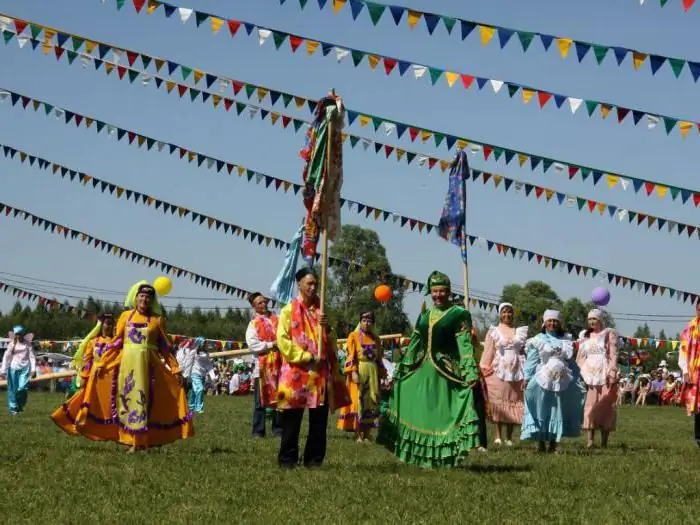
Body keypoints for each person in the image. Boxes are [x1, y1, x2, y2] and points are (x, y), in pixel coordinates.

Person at [378, 271, 481, 468]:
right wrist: (400, 371)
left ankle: (445, 456)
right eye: (434, 291)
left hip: (446, 372)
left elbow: (465, 345)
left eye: (442, 291)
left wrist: (470, 371)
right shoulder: (425, 316)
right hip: (424, 370)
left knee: (442, 413)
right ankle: (423, 456)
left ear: (449, 292)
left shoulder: (458, 314)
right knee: (423, 411)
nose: (438, 295)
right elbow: (415, 344)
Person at [275, 267, 349, 468]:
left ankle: (314, 460)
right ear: (299, 284)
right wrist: (305, 356)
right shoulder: (288, 310)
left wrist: (327, 327)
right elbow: (282, 341)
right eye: (309, 283)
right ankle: (287, 460)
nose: (313, 287)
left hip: (319, 374)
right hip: (296, 373)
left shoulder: (322, 310)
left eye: (315, 284)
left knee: (319, 421)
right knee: (292, 420)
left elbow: (332, 342)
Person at [112, 281, 194, 452]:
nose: (145, 299)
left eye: (149, 297)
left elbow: (165, 348)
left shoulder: (157, 321)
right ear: (136, 298)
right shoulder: (125, 317)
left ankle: (141, 442)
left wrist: (175, 369)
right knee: (128, 402)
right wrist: (103, 361)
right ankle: (131, 439)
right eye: (142, 296)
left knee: (143, 402)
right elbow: (116, 342)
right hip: (128, 366)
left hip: (149, 367)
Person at [521, 310, 582, 453]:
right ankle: (541, 442)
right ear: (545, 322)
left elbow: (571, 363)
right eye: (550, 321)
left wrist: (579, 377)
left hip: (562, 382)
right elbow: (532, 360)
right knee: (542, 410)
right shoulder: (538, 339)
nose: (552, 323)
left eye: (555, 321)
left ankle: (553, 443)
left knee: (557, 411)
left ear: (559, 323)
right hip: (542, 381)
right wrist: (526, 378)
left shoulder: (566, 340)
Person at [51, 314, 119, 438]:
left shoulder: (116, 343)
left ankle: (106, 430)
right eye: (106, 323)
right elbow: (87, 360)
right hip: (94, 377)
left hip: (110, 378)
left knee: (107, 405)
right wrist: (83, 376)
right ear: (101, 325)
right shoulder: (93, 342)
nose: (108, 326)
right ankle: (79, 425)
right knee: (87, 401)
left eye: (111, 323)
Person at [480, 303, 528, 446]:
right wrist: (484, 367)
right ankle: (497, 435)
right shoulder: (494, 331)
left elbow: (523, 352)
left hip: (516, 372)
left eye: (510, 312)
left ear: (513, 314)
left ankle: (509, 437)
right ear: (500, 314)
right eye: (504, 312)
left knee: (513, 401)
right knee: (498, 402)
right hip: (498, 371)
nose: (507, 315)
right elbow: (488, 351)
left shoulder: (519, 332)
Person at [337, 311, 386, 443]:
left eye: (369, 321)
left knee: (372, 401)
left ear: (373, 323)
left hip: (373, 371)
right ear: (360, 322)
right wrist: (353, 371)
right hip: (360, 369)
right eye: (364, 321)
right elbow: (351, 355)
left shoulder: (376, 339)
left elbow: (379, 358)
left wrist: (383, 373)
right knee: (360, 401)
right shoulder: (353, 336)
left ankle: (368, 433)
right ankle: (358, 434)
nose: (366, 323)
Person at [577, 309, 618, 449]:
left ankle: (604, 442)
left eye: (594, 319)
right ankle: (590, 441)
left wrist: (612, 372)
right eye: (590, 319)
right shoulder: (585, 336)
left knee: (606, 406)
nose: (592, 322)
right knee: (590, 406)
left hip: (605, 373)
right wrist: (581, 372)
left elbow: (613, 355)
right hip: (589, 375)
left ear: (600, 320)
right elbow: (580, 356)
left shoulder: (608, 334)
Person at [245, 292, 282, 438]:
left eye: (264, 301)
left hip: (280, 365)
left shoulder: (277, 319)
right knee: (260, 401)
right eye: (259, 303)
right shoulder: (253, 323)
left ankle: (278, 430)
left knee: (280, 399)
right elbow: (252, 345)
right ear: (254, 306)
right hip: (262, 367)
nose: (263, 304)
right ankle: (258, 431)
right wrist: (270, 344)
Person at [0, 325, 36, 415]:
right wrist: (3, 371)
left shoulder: (28, 344)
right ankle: (13, 409)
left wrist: (33, 369)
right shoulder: (12, 344)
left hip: (25, 369)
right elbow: (6, 357)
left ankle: (20, 405)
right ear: (15, 334)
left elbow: (32, 357)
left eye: (20, 334)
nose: (18, 336)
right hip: (13, 369)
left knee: (22, 388)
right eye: (17, 334)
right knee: (12, 390)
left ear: (23, 334)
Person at [679, 304, 700, 446]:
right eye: (699, 308)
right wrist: (685, 371)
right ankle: (699, 437)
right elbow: (683, 351)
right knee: (698, 407)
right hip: (695, 372)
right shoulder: (690, 328)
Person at [176, 337, 214, 414]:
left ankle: (191, 406)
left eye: (205, 343)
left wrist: (212, 375)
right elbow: (187, 360)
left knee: (194, 391)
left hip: (202, 375)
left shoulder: (206, 354)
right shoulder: (193, 352)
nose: (205, 344)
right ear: (199, 343)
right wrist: (185, 372)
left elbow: (208, 365)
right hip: (194, 373)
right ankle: (199, 408)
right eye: (203, 343)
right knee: (200, 389)